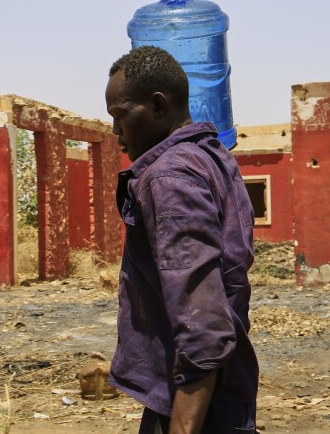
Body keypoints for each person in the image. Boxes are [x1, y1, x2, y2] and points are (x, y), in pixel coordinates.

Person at [105, 46, 258, 434]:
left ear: (158, 105)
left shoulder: (169, 177)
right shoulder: (213, 156)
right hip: (218, 390)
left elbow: (200, 318)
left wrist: (183, 426)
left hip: (193, 402)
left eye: (120, 116)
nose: (115, 132)